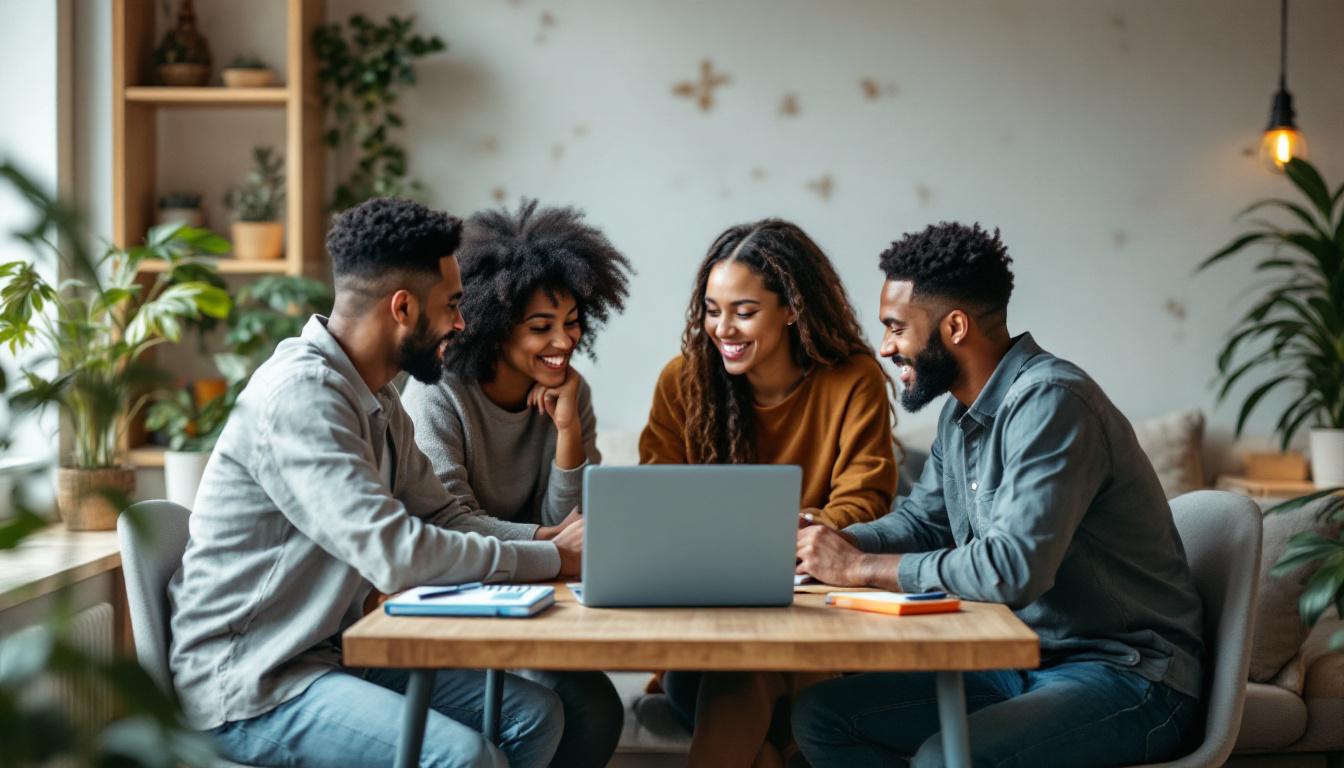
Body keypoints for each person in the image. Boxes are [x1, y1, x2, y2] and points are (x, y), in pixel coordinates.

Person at [168, 197, 583, 768]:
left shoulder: (377, 396)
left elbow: (444, 517)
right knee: (465, 759)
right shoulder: (302, 399)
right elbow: (396, 555)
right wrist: (552, 561)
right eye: (453, 306)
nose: (463, 324)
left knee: (534, 716)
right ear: (403, 308)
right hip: (255, 681)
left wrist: (547, 542)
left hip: (333, 656)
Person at [792, 222, 1204, 767]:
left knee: (947, 758)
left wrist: (860, 567)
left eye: (896, 327)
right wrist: (824, 543)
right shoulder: (959, 413)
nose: (886, 346)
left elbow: (1010, 570)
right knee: (822, 717)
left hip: (1128, 674)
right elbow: (921, 523)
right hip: (1021, 658)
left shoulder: (1052, 403)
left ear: (955, 326)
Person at [640, 218, 899, 767]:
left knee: (761, 684)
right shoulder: (681, 382)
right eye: (712, 310)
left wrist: (787, 533)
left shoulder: (852, 379)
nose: (723, 328)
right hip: (706, 639)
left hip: (815, 623)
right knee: (750, 668)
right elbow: (654, 502)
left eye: (744, 311)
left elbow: (866, 499)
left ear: (791, 309)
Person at [403, 200, 633, 768]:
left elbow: (575, 521)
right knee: (572, 709)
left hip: (523, 595)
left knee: (597, 709)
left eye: (573, 321)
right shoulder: (440, 394)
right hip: (452, 600)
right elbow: (447, 518)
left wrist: (567, 431)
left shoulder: (570, 395)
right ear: (494, 325)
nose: (564, 340)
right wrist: (548, 543)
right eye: (541, 327)